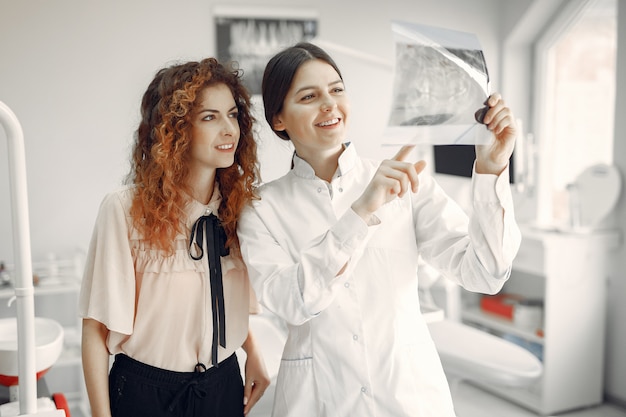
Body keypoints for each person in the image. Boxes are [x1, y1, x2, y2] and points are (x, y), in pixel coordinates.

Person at [236, 42, 521, 417]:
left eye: (337, 90)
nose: (329, 105)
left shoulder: (407, 181)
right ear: (278, 120)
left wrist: (492, 169)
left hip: (407, 396)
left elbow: (486, 273)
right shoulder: (260, 208)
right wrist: (360, 211)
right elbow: (292, 301)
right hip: (319, 398)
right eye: (309, 96)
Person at [79, 57, 270, 417]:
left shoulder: (240, 210)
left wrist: (252, 351)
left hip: (223, 384)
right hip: (145, 393)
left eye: (232, 115)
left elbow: (216, 302)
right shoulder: (124, 209)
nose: (229, 129)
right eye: (209, 117)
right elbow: (95, 330)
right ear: (176, 129)